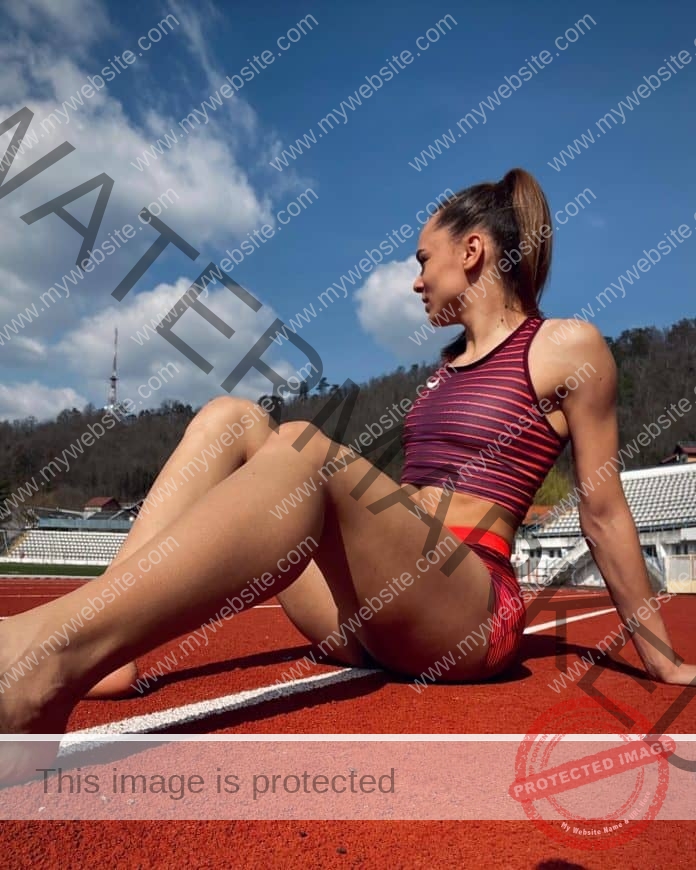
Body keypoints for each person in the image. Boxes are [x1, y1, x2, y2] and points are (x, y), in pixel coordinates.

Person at [1, 168, 694, 778]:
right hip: (371, 610)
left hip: (469, 614)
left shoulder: (566, 347)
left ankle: (46, 662)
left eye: (425, 260)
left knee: (303, 446)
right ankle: (109, 653)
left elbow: (602, 512)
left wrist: (660, 662)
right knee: (230, 417)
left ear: (473, 251)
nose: (417, 280)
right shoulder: (439, 372)